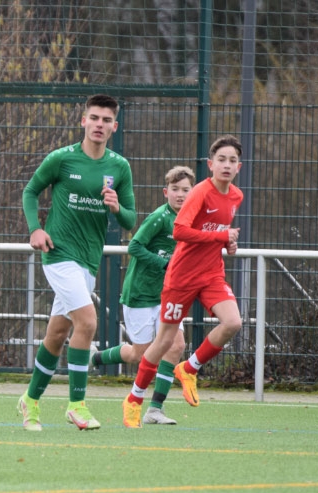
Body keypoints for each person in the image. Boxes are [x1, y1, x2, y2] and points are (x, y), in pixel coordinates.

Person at [17, 94, 137, 431]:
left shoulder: (119, 167)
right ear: (83, 121)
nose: (99, 124)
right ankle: (77, 405)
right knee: (87, 322)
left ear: (115, 126)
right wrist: (35, 228)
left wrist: (117, 207)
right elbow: (30, 191)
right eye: (94, 118)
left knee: (57, 334)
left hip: (88, 261)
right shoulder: (61, 159)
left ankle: (30, 400)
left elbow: (130, 219)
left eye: (106, 120)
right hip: (58, 255)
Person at [122, 135, 244, 428]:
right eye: (221, 160)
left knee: (233, 322)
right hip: (182, 276)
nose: (227, 165)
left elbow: (217, 231)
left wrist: (228, 243)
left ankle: (189, 368)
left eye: (232, 161)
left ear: (239, 166)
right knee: (164, 341)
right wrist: (220, 236)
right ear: (210, 164)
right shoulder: (200, 192)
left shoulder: (236, 196)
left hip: (211, 274)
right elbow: (179, 230)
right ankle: (134, 399)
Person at [91, 166, 195, 425]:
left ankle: (155, 409)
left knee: (176, 346)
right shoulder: (159, 218)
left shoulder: (192, 219)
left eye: (185, 190)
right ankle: (97, 357)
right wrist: (164, 264)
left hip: (168, 295)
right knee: (141, 353)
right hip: (140, 292)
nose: (180, 195)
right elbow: (135, 246)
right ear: (165, 192)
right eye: (175, 189)